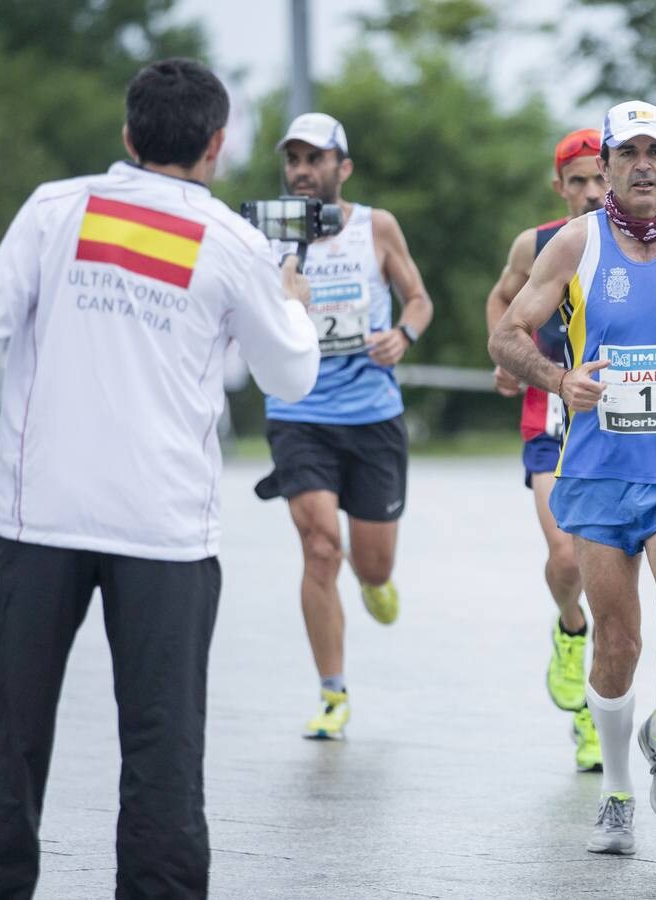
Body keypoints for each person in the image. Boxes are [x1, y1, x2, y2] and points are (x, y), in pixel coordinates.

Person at [0, 58, 320, 897]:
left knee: (5, 741)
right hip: (165, 534)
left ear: (127, 135)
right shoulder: (234, 243)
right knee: (164, 755)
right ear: (218, 146)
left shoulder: (58, 209)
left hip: (40, 520)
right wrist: (288, 299)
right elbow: (290, 378)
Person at [489, 100, 656, 856]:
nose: (641, 165)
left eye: (654, 153)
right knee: (617, 644)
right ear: (603, 166)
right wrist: (558, 377)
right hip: (598, 474)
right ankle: (615, 795)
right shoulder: (574, 244)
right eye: (626, 153)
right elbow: (506, 335)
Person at [256, 111, 434, 740]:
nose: (302, 171)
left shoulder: (375, 227)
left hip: (371, 417)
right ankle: (333, 695)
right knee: (319, 548)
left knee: (373, 563)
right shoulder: (267, 234)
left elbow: (419, 299)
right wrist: (280, 294)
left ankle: (376, 582)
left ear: (343, 167)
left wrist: (402, 335)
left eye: (315, 159)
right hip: (298, 413)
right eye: (294, 160)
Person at [484, 128, 607, 772]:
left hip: (621, 423)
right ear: (558, 186)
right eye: (577, 181)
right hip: (551, 415)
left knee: (609, 573)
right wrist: (510, 360)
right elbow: (503, 298)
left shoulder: (645, 243)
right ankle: (568, 630)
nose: (591, 192)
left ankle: (595, 719)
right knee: (566, 557)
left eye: (599, 178)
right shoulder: (535, 245)